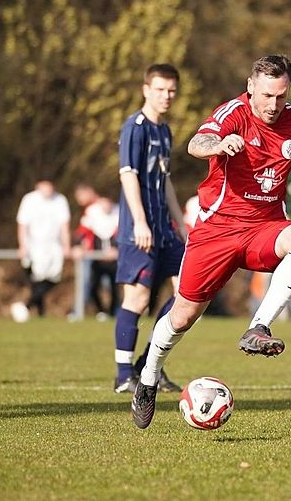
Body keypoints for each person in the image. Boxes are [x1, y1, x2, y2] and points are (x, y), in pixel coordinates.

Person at [131, 54, 291, 429]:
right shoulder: (233, 113)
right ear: (251, 86)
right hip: (217, 231)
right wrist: (219, 146)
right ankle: (149, 376)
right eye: (267, 95)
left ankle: (259, 327)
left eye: (281, 96)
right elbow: (197, 142)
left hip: (264, 228)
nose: (273, 105)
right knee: (184, 316)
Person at [113, 64, 186, 395]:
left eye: (171, 90)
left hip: (164, 228)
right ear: (146, 90)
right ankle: (123, 374)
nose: (166, 96)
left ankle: (149, 364)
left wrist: (180, 223)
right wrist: (140, 221)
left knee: (186, 293)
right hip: (138, 228)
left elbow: (165, 179)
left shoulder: (165, 130)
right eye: (159, 89)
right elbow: (128, 174)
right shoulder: (135, 128)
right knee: (138, 298)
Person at [10, 180, 71, 322]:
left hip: (54, 246)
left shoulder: (60, 200)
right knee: (37, 279)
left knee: (53, 278)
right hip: (35, 246)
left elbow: (64, 225)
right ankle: (38, 312)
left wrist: (66, 245)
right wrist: (22, 245)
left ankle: (26, 306)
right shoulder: (29, 199)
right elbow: (23, 224)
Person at [72, 183, 119, 320]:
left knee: (113, 287)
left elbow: (123, 235)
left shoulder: (120, 212)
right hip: (96, 258)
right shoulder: (92, 212)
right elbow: (82, 231)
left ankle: (114, 313)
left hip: (113, 260)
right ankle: (101, 311)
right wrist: (78, 245)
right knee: (92, 286)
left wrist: (117, 249)